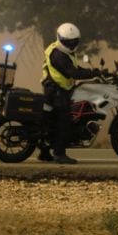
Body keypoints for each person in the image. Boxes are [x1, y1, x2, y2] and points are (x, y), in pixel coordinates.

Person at [39, 22, 99, 164]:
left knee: (51, 122)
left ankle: (44, 152)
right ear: (60, 38)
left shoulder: (64, 52)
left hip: (58, 89)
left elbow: (75, 68)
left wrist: (93, 72)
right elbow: (72, 72)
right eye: (68, 41)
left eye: (74, 42)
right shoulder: (58, 54)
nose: (71, 44)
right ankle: (59, 154)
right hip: (56, 91)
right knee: (64, 121)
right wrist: (92, 74)